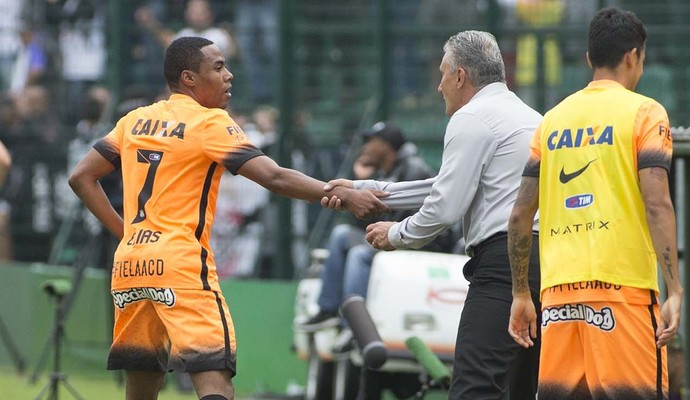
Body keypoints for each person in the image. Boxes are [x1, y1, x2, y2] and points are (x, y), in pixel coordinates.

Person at [68, 36, 387, 400]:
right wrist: (341, 194)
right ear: (189, 78)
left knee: (140, 385)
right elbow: (274, 176)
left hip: (131, 266)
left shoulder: (135, 120)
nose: (229, 76)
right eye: (218, 67)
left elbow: (81, 177)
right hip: (181, 265)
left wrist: (125, 233)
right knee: (214, 379)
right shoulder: (210, 123)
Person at [323, 30, 543, 399]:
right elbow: (446, 183)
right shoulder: (527, 116)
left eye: (442, 74)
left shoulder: (472, 117)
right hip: (547, 265)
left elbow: (446, 206)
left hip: (504, 266)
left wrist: (396, 235)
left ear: (461, 77)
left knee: (474, 389)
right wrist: (365, 190)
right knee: (518, 390)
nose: (439, 85)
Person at [507, 7, 683, 399]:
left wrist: (522, 293)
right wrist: (674, 289)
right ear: (634, 55)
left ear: (588, 59)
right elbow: (657, 205)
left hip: (558, 296)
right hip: (623, 293)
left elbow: (520, 214)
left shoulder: (551, 120)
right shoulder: (645, 112)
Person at [297, 122, 448, 334]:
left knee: (360, 254)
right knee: (342, 235)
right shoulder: (389, 170)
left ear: (386, 147)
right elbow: (367, 222)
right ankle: (329, 310)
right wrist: (358, 183)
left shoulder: (414, 168)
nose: (365, 147)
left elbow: (410, 219)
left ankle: (353, 328)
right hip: (397, 236)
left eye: (371, 142)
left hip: (422, 245)